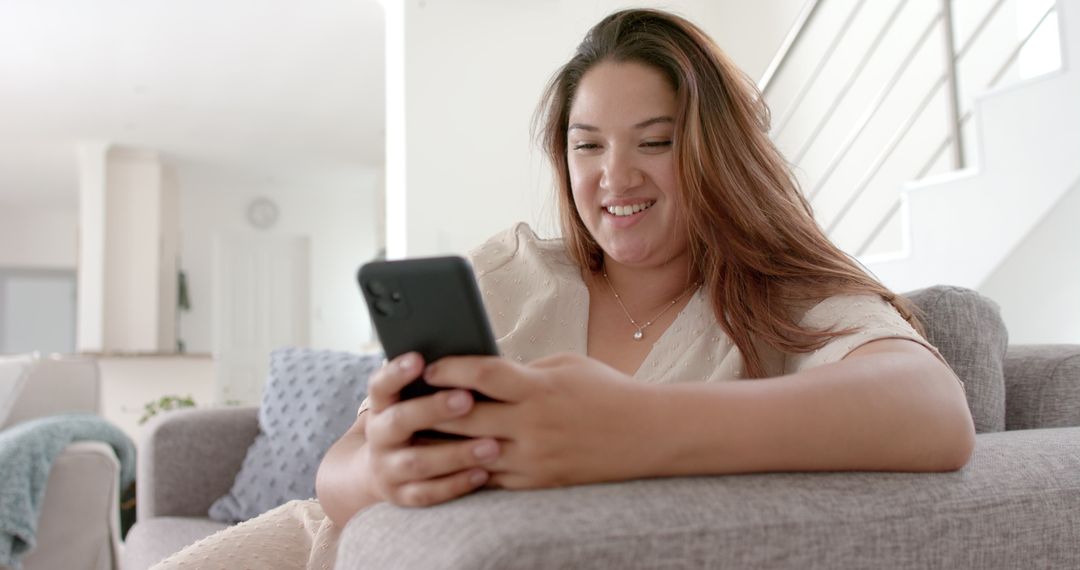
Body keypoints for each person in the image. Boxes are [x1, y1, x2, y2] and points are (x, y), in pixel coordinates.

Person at [153, 8, 974, 569]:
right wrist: (386, 475)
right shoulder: (513, 277)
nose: (615, 176)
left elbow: (930, 410)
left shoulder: (780, 300)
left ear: (719, 154)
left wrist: (637, 429)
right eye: (587, 146)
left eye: (655, 141)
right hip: (331, 547)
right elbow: (338, 474)